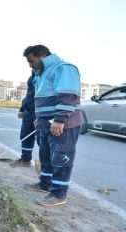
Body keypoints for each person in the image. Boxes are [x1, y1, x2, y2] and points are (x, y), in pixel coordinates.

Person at [22, 45, 83, 207]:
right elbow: (41, 98)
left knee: (61, 156)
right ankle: (45, 183)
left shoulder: (63, 68)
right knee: (46, 154)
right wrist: (38, 118)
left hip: (62, 124)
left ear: (42, 56)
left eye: (32, 61)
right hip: (45, 122)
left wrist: (60, 119)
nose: (30, 65)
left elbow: (68, 95)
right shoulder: (41, 73)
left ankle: (59, 193)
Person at [10, 71, 37, 167]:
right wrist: (22, 108)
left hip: (39, 113)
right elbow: (29, 95)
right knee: (25, 136)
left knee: (43, 141)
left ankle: (45, 166)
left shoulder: (46, 76)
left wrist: (41, 115)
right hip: (27, 113)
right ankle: (25, 160)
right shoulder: (32, 77)